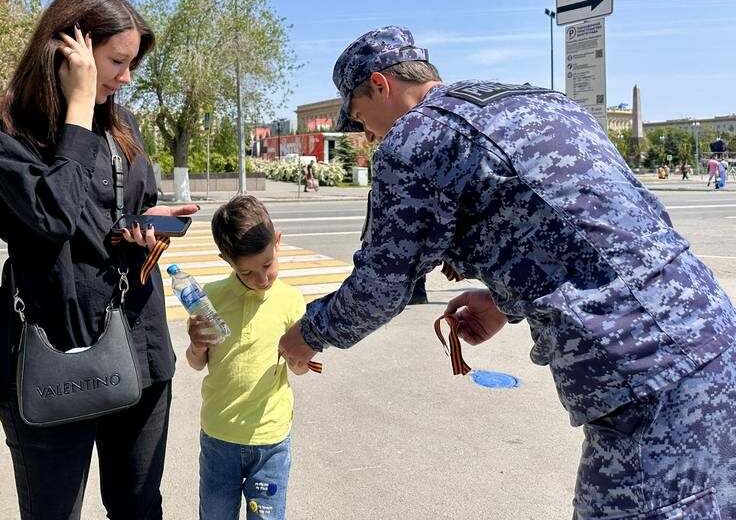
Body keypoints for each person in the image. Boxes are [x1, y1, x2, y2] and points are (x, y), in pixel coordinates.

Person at [278, 25, 736, 518]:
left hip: (642, 372)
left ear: (380, 85)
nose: (365, 134)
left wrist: (307, 335)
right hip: (711, 332)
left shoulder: (413, 141)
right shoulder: (540, 101)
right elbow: (603, 222)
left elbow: (381, 287)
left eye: (360, 118)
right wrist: (502, 300)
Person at [0, 0, 198, 520]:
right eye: (116, 62)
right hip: (52, 349)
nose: (125, 78)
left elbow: (117, 211)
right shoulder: (1, 127)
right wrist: (76, 109)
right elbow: (49, 218)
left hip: (137, 344)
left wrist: (146, 227)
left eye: (132, 64)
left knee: (138, 506)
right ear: (70, 50)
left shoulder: (122, 124)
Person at [185, 195, 307, 520]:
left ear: (277, 242)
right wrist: (196, 346)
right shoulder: (209, 299)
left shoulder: (292, 300)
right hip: (219, 438)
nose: (262, 279)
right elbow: (197, 363)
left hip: (270, 441)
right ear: (227, 261)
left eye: (268, 264)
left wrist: (299, 360)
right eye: (248, 272)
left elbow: (300, 368)